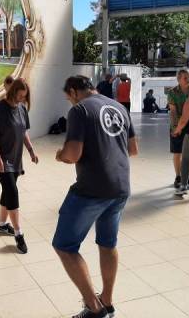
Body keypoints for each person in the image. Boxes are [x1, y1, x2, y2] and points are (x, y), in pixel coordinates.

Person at [53, 76, 138, 318]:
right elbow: (133, 149)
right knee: (107, 243)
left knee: (64, 245)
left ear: (73, 91)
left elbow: (72, 154)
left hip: (92, 189)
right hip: (121, 187)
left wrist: (60, 155)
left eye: (68, 97)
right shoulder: (119, 107)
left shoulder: (80, 110)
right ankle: (107, 301)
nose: (69, 102)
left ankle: (94, 307)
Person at [0, 78, 38, 254]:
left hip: (16, 158)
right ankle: (19, 233)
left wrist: (31, 151)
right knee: (12, 192)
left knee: (8, 190)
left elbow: (24, 132)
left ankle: (2, 225)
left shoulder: (22, 109)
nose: (22, 99)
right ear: (13, 91)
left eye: (25, 97)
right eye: (20, 96)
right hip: (1, 158)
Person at [168, 68, 189, 190]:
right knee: (177, 152)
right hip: (177, 125)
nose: (188, 80)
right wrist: (176, 127)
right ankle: (179, 177)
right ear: (179, 79)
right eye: (185, 78)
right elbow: (173, 111)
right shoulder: (172, 92)